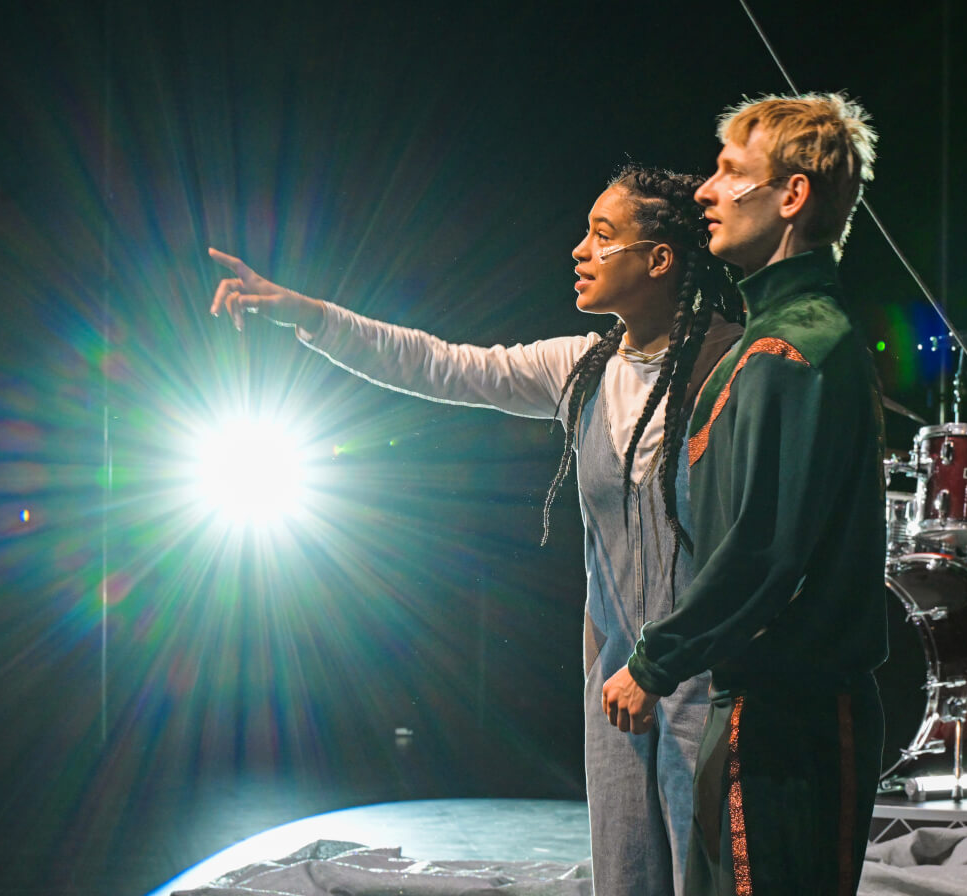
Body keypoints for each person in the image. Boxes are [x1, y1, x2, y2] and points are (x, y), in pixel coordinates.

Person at [208, 164, 745, 896]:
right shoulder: (582, 369)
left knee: (706, 877)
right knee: (626, 879)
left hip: (707, 677)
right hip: (615, 678)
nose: (579, 251)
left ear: (659, 260)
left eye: (602, 235)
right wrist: (308, 313)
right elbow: (440, 365)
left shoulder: (737, 367)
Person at [600, 94, 888, 896]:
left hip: (793, 719)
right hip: (757, 706)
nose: (705, 190)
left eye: (732, 173)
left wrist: (655, 660)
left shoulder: (798, 348)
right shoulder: (761, 346)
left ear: (791, 197)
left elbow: (763, 550)